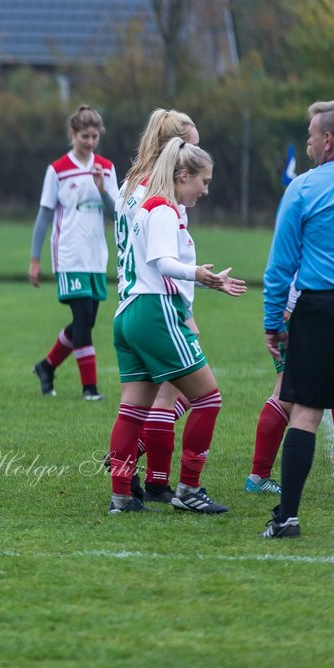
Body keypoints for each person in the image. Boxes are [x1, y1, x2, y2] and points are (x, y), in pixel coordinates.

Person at [106, 139, 246, 514]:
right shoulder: (165, 209)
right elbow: (164, 262)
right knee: (209, 399)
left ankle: (121, 495)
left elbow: (153, 263)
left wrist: (205, 281)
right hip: (155, 311)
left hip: (129, 312)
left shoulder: (146, 205)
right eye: (203, 180)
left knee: (133, 409)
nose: (205, 189)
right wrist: (197, 273)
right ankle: (189, 490)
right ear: (182, 175)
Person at [262, 102, 334, 539]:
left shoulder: (304, 188)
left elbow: (280, 267)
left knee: (306, 414)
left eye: (311, 134)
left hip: (319, 311)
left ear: (328, 140)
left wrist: (273, 322)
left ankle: (287, 518)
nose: (308, 142)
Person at [114, 109, 215, 506]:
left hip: (129, 298)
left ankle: (136, 483)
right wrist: (186, 306)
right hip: (156, 299)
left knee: (141, 404)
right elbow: (162, 256)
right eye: (192, 146)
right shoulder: (161, 198)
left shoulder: (130, 185)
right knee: (190, 396)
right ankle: (174, 485)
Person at [30, 106, 119, 401]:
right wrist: (35, 258)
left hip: (96, 256)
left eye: (94, 136)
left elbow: (115, 213)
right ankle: (90, 389)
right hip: (69, 254)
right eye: (84, 136)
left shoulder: (105, 168)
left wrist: (102, 188)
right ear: (72, 134)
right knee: (82, 320)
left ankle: (46, 366)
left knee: (87, 322)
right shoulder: (57, 169)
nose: (90, 142)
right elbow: (44, 216)